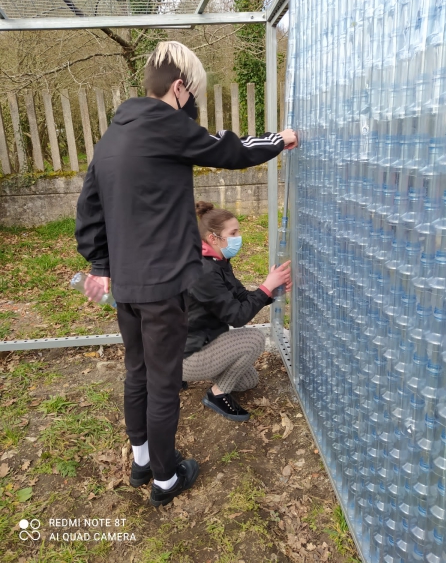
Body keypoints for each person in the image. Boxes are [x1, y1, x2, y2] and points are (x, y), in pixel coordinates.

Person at [75, 40, 298, 507]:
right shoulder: (166, 124)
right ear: (179, 88)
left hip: (129, 287)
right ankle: (165, 478)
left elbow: (89, 208)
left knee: (136, 372)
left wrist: (100, 264)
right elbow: (228, 149)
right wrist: (280, 139)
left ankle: (140, 461)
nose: (191, 103)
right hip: (161, 287)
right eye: (191, 93)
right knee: (161, 381)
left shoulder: (113, 135)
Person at [183, 202, 292, 420]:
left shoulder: (218, 261)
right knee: (254, 339)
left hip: (205, 340)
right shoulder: (203, 271)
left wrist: (271, 292)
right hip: (186, 353)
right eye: (233, 232)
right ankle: (216, 395)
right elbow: (238, 316)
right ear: (213, 238)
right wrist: (266, 286)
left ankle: (202, 374)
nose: (239, 236)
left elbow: (241, 297)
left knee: (249, 381)